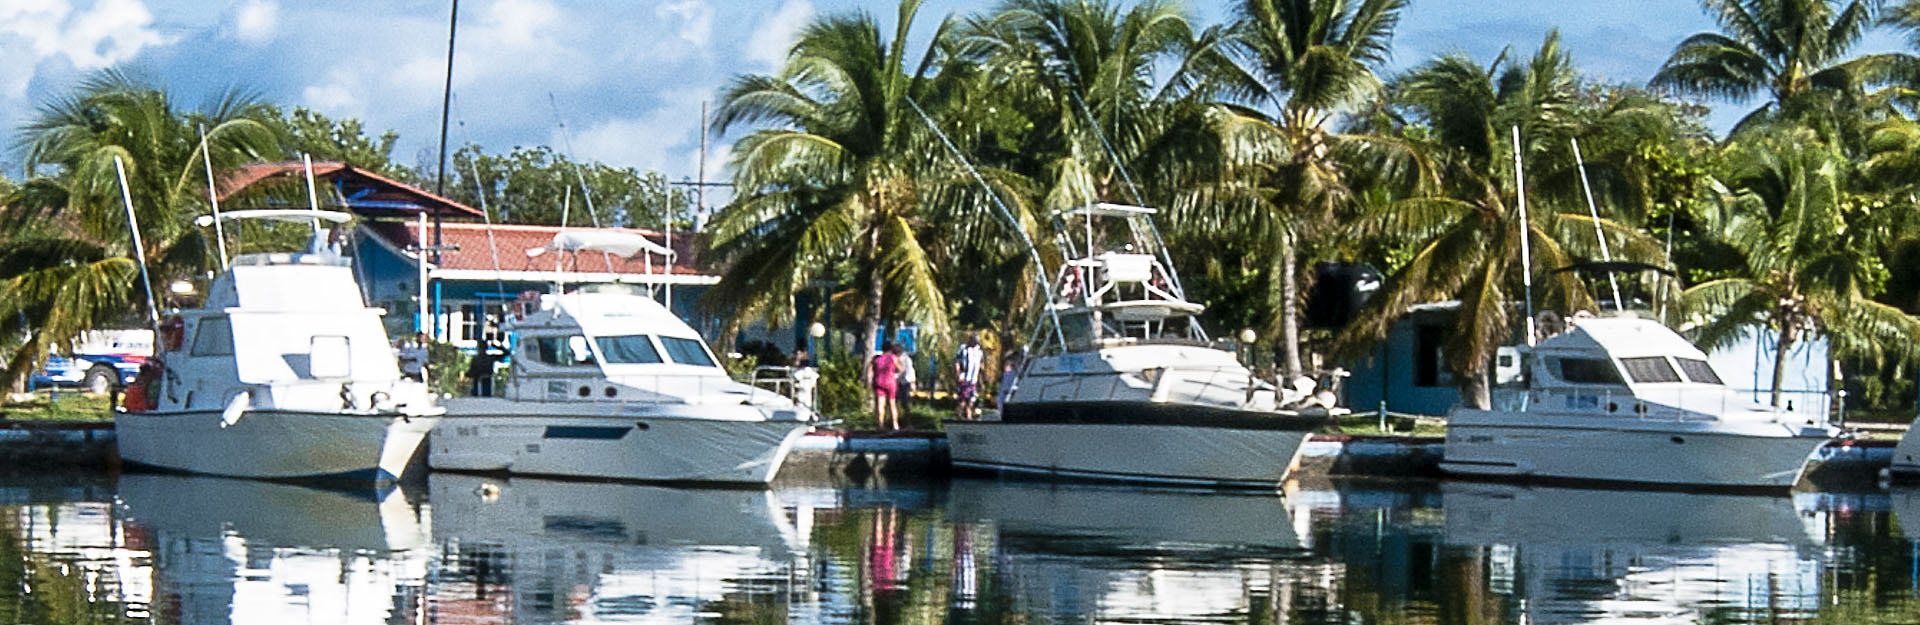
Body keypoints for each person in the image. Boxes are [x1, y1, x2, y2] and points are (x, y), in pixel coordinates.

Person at [869, 342, 900, 430]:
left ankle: (880, 425)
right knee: (892, 404)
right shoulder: (893, 358)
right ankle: (895, 425)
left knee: (880, 404)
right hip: (890, 382)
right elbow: (900, 368)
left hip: (879, 382)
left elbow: (871, 369)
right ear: (890, 349)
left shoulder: (876, 359)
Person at [954, 334, 984, 420]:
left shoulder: (979, 351)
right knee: (963, 401)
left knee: (971, 401)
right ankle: (959, 416)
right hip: (964, 378)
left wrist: (981, 378)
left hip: (973, 380)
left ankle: (969, 417)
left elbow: (981, 364)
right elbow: (957, 361)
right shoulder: (964, 348)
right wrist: (958, 373)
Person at [894, 343, 916, 416]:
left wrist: (912, 382)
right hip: (895, 382)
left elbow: (910, 370)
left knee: (904, 402)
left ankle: (907, 420)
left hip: (904, 382)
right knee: (895, 401)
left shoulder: (906, 359)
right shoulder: (893, 357)